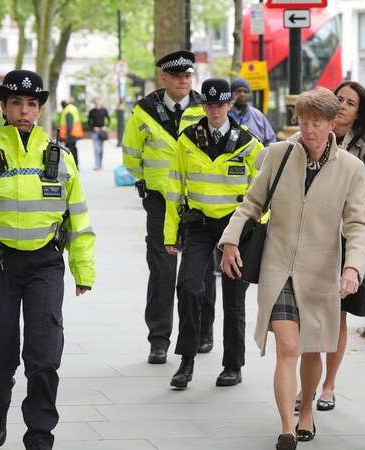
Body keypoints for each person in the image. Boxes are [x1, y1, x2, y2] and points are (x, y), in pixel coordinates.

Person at [0, 69, 95, 450]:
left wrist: (83, 267)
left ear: (40, 109)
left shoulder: (60, 157)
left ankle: (39, 435)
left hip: (45, 264)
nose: (24, 111)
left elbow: (77, 216)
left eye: (32, 104)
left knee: (44, 356)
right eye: (16, 103)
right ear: (4, 108)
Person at [218, 88, 365, 450]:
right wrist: (229, 241)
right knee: (287, 346)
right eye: (303, 122)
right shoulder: (278, 155)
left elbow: (357, 225)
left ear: (332, 123)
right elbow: (251, 204)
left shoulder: (351, 168)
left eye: (316, 123)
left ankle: (306, 412)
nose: (308, 130)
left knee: (312, 348)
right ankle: (287, 428)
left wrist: (353, 268)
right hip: (278, 266)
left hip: (321, 272)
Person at [163, 78, 264, 389]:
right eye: (209, 105)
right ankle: (187, 359)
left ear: (230, 104)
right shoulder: (187, 140)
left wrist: (256, 233)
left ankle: (233, 365)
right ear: (202, 106)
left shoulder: (248, 143)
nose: (215, 110)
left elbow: (263, 192)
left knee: (233, 298)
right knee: (189, 288)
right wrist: (170, 233)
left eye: (220, 104)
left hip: (235, 229)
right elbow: (174, 187)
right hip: (199, 226)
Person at [122, 50, 217, 366]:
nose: (183, 81)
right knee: (162, 271)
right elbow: (131, 155)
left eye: (188, 76)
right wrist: (147, 184)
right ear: (162, 77)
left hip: (199, 203)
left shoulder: (205, 108)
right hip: (161, 203)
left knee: (201, 270)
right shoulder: (144, 111)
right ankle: (159, 341)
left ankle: (203, 332)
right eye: (177, 76)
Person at [294, 80, 365, 413]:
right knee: (306, 313)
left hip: (348, 240)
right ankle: (306, 385)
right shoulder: (305, 138)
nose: (342, 106)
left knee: (337, 315)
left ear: (360, 111)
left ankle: (329, 383)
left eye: (350, 103)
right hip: (311, 238)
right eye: (338, 99)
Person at [228, 78, 276, 145]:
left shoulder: (257, 115)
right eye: (238, 91)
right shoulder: (225, 115)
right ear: (231, 94)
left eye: (245, 91)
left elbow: (270, 140)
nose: (242, 94)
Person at [58, 99, 84, 167]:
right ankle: (75, 165)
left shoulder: (67, 110)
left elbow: (69, 123)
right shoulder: (73, 108)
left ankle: (73, 166)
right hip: (75, 134)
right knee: (73, 149)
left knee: (70, 151)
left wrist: (67, 136)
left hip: (70, 135)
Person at [87, 97, 111, 170]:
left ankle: (100, 164)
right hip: (95, 132)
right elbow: (88, 122)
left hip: (102, 132)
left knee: (101, 150)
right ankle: (96, 165)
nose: (97, 103)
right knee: (96, 149)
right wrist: (93, 128)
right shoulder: (92, 111)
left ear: (100, 102)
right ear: (94, 103)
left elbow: (109, 120)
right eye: (95, 102)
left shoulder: (104, 110)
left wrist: (105, 126)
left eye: (98, 101)